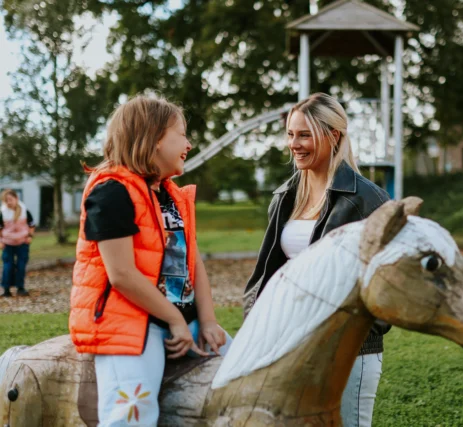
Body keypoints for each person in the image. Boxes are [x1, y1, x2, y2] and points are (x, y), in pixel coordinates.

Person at [69, 95, 231, 426]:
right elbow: (122, 275)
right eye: (182, 134)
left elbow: (192, 260)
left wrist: (209, 320)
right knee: (133, 413)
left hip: (182, 317)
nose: (188, 143)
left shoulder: (171, 195)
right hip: (129, 323)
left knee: (248, 369)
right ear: (154, 138)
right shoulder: (111, 193)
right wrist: (173, 319)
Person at [244, 93, 391, 427]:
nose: (294, 144)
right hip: (291, 344)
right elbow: (268, 272)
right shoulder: (285, 197)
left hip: (347, 350)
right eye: (291, 134)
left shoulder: (367, 199)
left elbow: (389, 280)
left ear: (333, 136)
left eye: (305, 135)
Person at [0, 189, 36, 297]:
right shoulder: (2, 213)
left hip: (22, 242)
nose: (8, 202)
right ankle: (6, 289)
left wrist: (30, 236)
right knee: (8, 266)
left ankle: (20, 287)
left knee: (21, 265)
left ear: (16, 199)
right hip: (7, 243)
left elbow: (32, 224)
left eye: (10, 200)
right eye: (6, 201)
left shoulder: (25, 211)